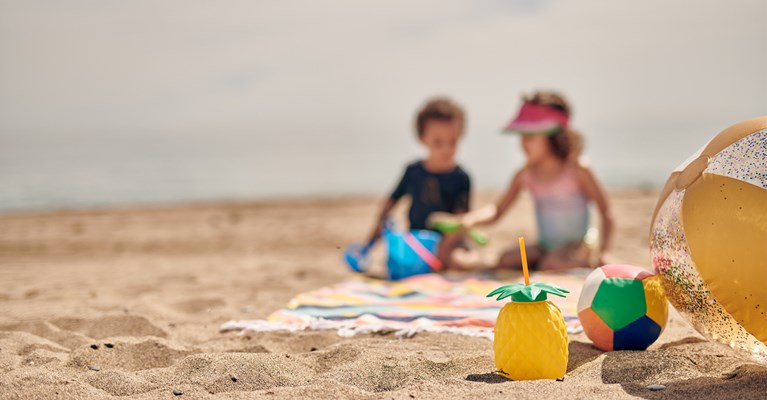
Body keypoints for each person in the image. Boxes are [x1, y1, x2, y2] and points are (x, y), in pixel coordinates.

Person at [463, 91, 613, 270]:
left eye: (530, 137)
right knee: (507, 260)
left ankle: (582, 263)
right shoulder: (525, 174)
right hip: (546, 246)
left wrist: (604, 251)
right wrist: (469, 220)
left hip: (579, 244)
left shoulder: (577, 169)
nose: (523, 143)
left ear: (553, 136)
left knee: (552, 263)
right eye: (522, 136)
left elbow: (606, 211)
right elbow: (497, 210)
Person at [366, 97, 471, 268]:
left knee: (459, 259)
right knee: (396, 260)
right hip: (415, 240)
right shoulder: (413, 171)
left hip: (448, 243)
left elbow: (461, 220)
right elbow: (390, 202)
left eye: (453, 142)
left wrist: (444, 246)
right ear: (422, 138)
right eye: (438, 142)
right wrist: (373, 235)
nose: (447, 149)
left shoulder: (461, 177)